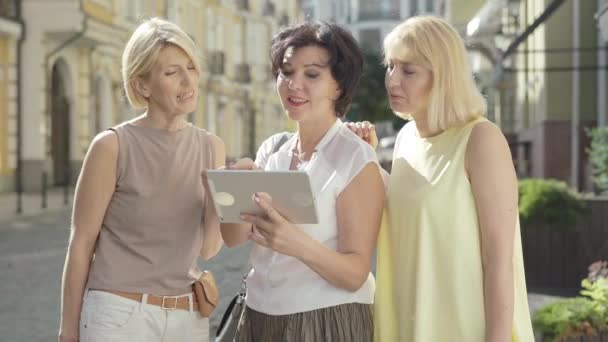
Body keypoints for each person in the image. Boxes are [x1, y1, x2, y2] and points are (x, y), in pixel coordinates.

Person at [349, 15, 534, 342]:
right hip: (409, 322)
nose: (392, 81)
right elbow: (409, 209)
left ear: (444, 76)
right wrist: (367, 157)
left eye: (409, 71)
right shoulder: (407, 138)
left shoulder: (480, 139)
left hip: (465, 327)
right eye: (391, 66)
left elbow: (499, 260)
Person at [58, 18, 225, 342]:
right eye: (171, 72)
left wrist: (220, 199)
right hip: (117, 314)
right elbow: (81, 243)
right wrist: (69, 329)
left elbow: (209, 247)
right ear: (142, 86)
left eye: (191, 67)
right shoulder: (112, 146)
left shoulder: (211, 146)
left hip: (187, 317)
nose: (187, 80)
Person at [219, 22, 385, 341]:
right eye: (286, 71)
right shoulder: (272, 148)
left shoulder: (356, 158)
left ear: (338, 85)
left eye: (311, 74)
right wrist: (231, 190)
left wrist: (294, 243)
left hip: (326, 320)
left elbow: (355, 273)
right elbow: (233, 238)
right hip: (258, 315)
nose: (294, 84)